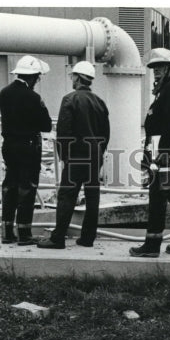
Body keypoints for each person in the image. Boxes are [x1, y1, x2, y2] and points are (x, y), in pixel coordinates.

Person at [38, 61, 110, 249]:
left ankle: (58, 238)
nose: (72, 79)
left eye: (72, 76)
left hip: (76, 155)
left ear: (78, 77)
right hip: (94, 156)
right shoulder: (100, 102)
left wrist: (64, 157)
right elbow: (106, 133)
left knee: (67, 196)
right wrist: (99, 153)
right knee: (93, 196)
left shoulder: (69, 100)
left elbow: (63, 131)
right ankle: (87, 238)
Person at [129, 48, 170, 258]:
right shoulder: (169, 89)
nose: (156, 72)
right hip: (167, 155)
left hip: (165, 156)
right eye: (154, 68)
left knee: (158, 199)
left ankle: (152, 245)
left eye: (161, 67)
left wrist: (160, 156)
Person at [0, 55, 52, 246]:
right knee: (27, 188)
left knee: (10, 186)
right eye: (37, 77)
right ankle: (24, 233)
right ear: (33, 76)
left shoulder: (4, 93)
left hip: (9, 146)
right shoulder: (34, 97)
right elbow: (46, 125)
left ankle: (6, 232)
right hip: (28, 147)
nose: (37, 81)